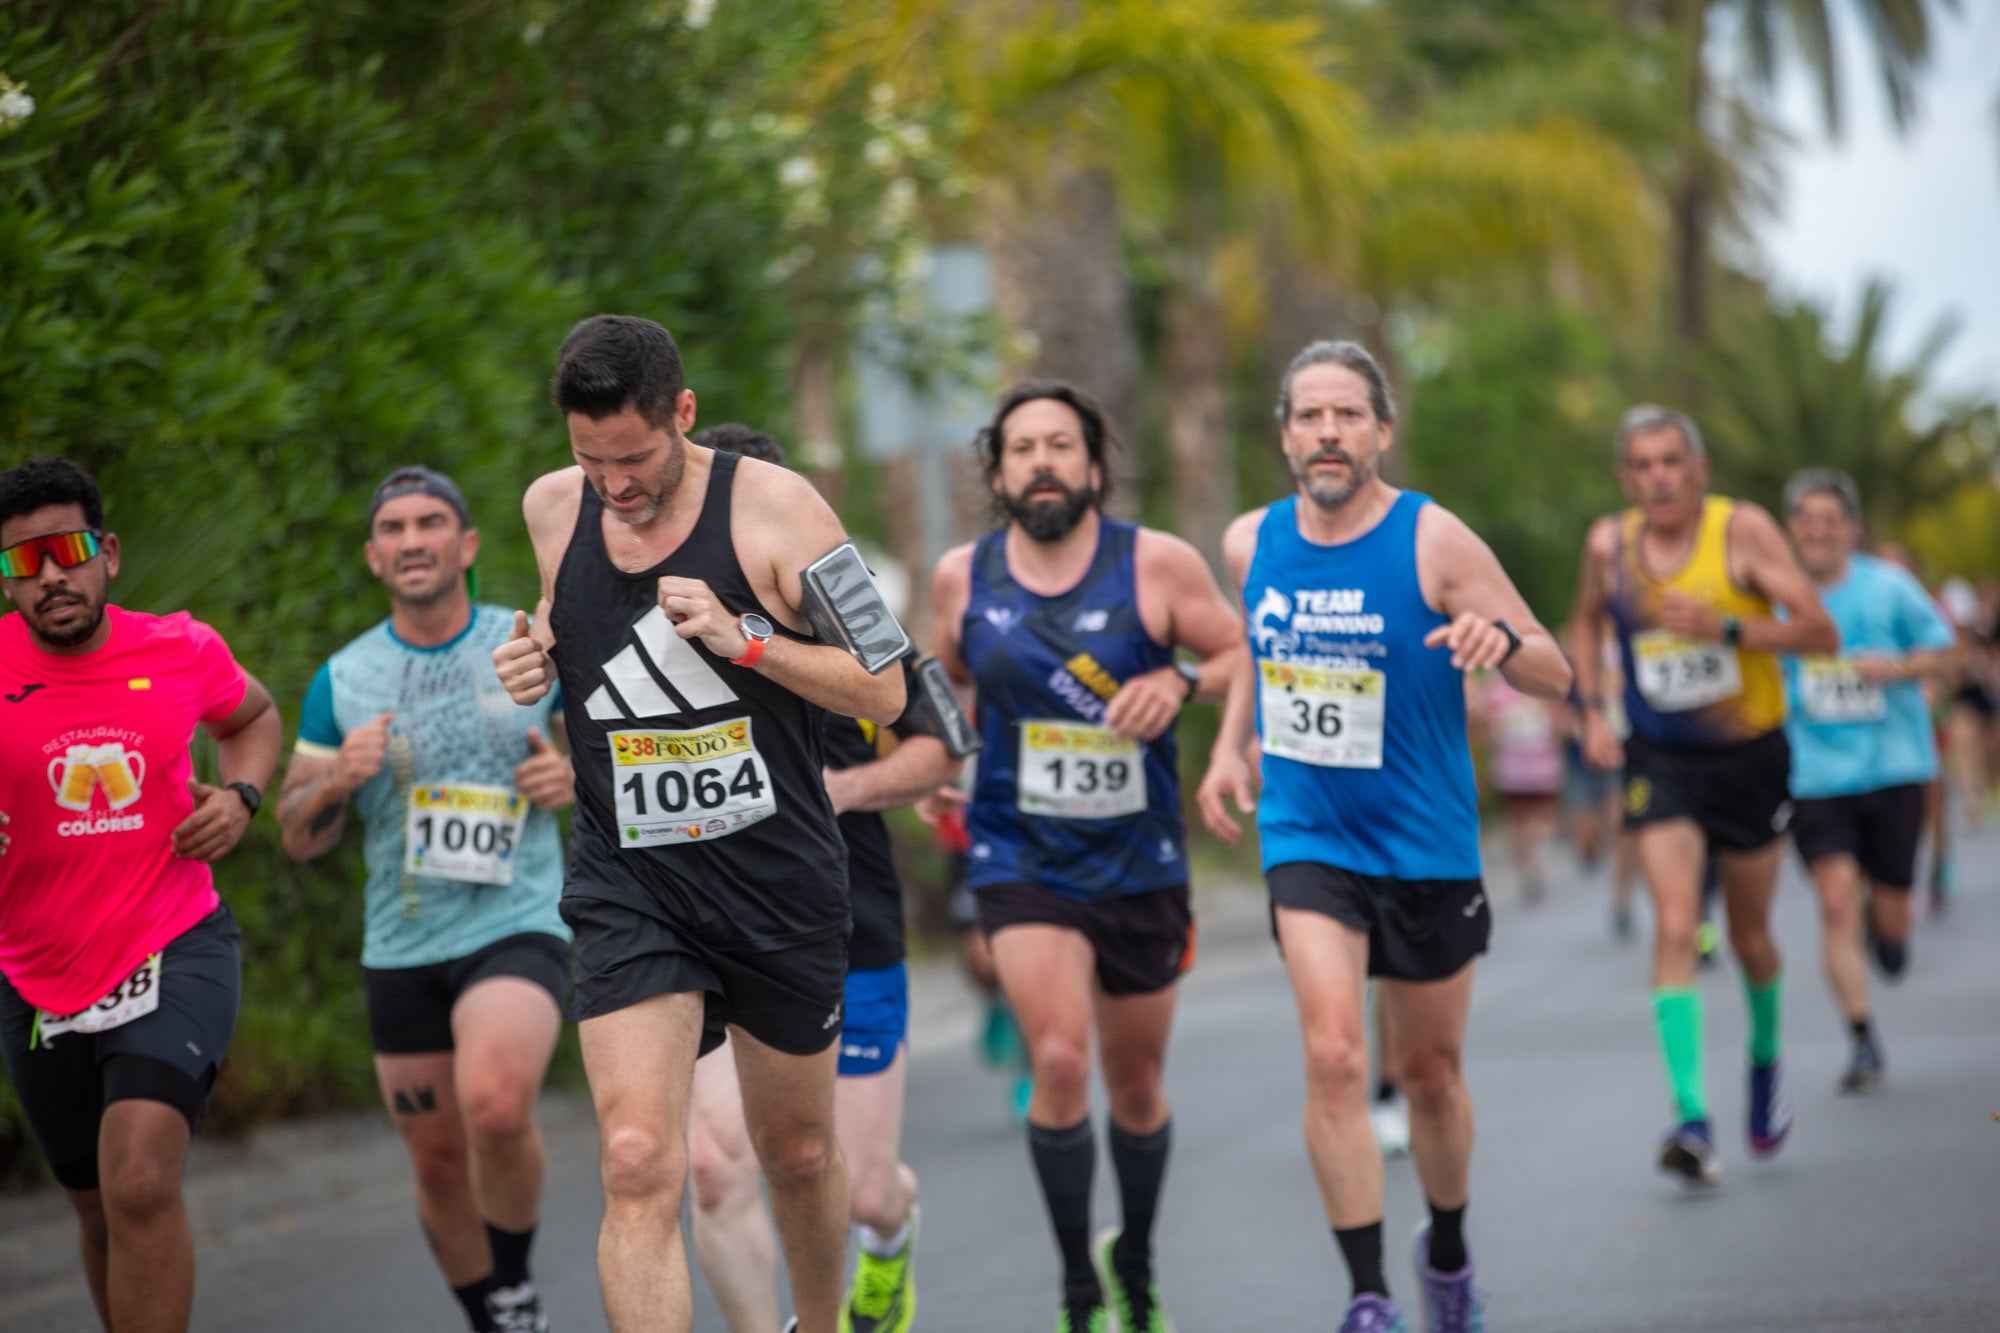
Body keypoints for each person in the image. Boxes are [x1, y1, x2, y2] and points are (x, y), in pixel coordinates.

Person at [492, 315, 906, 1333]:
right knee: (637, 1160)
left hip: (776, 880)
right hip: (632, 879)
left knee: (796, 1154)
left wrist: (747, 639)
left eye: (633, 458)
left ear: (682, 412)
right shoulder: (553, 507)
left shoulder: (781, 508)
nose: (614, 484)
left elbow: (886, 685)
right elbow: (565, 626)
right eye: (592, 459)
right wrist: (533, 658)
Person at [1197, 340, 1572, 1333]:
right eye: (1309, 416)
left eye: (1347, 415)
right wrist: (1229, 747)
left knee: (1430, 1074)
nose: (1327, 433)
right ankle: (1367, 1296)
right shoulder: (1248, 542)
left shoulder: (1432, 539)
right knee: (1332, 1055)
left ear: (1382, 432)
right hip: (1308, 834)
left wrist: (1501, 642)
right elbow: (1254, 649)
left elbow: (1554, 669)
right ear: (1284, 436)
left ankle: (1445, 1253)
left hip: (1425, 843)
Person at [930, 381, 1243, 1333]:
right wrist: (940, 759)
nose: (1042, 463)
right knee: (1061, 1060)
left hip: (1140, 858)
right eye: (1022, 448)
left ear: (1095, 467)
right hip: (1019, 852)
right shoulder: (963, 577)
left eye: (1061, 445)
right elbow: (942, 682)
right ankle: (1077, 1287)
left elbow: (1240, 656)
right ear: (998, 475)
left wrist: (1178, 679)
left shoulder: (1156, 563)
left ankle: (1134, 1266)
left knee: (1136, 1083)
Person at [276, 467, 574, 1333]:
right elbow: (296, 831)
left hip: (516, 920)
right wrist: (337, 777)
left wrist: (571, 779)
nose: (413, 540)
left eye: (431, 522)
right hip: (402, 942)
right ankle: (495, 1317)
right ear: (374, 556)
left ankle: (513, 1284)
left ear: (466, 544)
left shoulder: (525, 643)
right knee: (439, 1161)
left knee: (496, 1104)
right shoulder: (343, 678)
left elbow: (604, 761)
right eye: (394, 528)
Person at [679, 423, 958, 1333]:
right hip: (709, 927)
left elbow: (941, 746)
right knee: (714, 1164)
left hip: (847, 921)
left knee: (859, 1186)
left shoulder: (851, 605)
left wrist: (842, 788)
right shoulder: (660, 611)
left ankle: (891, 1234)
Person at [0, 456, 282, 1333]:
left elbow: (253, 716)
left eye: (69, 550)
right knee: (96, 1207)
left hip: (174, 940)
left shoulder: (179, 648)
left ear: (109, 553)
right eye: (25, 560)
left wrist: (240, 797)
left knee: (140, 1179)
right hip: (36, 970)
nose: (52, 575)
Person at [1568, 405, 1836, 1188]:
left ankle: (1765, 1058)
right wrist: (1591, 709)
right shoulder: (1608, 545)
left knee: (1750, 935)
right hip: (1661, 759)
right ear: (1625, 478)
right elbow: (1584, 624)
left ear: (1699, 469)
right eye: (1643, 465)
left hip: (1750, 755)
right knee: (1678, 922)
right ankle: (1691, 1116)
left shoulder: (1741, 532)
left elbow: (1820, 632)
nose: (1658, 477)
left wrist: (1729, 629)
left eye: (1671, 461)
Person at [1779, 470, 1956, 1093]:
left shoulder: (1889, 586)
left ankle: (1888, 933)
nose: (1818, 531)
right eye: (1807, 520)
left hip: (1894, 766)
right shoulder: (1777, 595)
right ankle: (1861, 1039)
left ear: (1851, 529)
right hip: (1814, 774)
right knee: (1834, 900)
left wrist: (1899, 667)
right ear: (1792, 529)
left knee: (1891, 916)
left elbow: (1946, 649)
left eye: (1830, 520)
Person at [1470, 669, 1564, 902]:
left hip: (1541, 768)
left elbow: (1556, 719)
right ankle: (1528, 867)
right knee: (1518, 821)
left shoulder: (1536, 681)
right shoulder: (1494, 689)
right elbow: (1484, 728)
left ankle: (1537, 857)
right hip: (1511, 771)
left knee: (1541, 818)